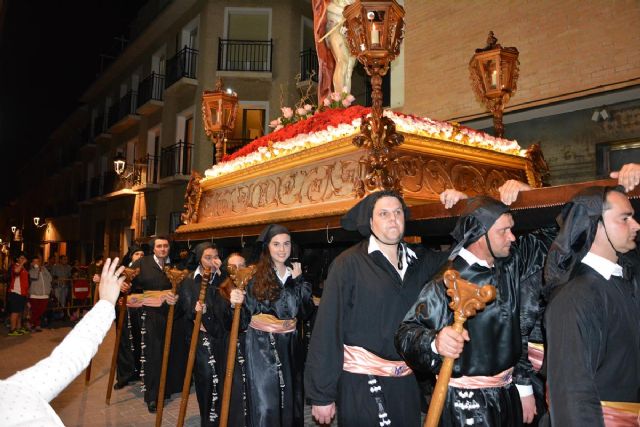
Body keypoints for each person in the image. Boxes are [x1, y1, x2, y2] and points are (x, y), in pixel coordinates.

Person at [395, 182, 556, 427]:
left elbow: (554, 233)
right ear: (479, 236)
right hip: (466, 406)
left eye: (512, 229)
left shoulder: (510, 263)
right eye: (504, 231)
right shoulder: (446, 282)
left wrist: (527, 195)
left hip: (507, 395)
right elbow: (406, 334)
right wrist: (435, 342)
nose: (512, 237)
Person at [305, 190, 449, 426]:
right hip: (361, 384)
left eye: (397, 212)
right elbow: (327, 329)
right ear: (370, 222)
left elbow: (467, 253)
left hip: (405, 384)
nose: (393, 219)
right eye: (384, 214)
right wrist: (322, 394)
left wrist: (454, 206)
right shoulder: (347, 264)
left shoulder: (420, 261)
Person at [543, 185, 640, 426]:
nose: (636, 225)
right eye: (625, 218)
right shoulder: (575, 297)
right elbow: (572, 395)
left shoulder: (622, 281)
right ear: (595, 225)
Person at [0, 257, 125, 426]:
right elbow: (67, 359)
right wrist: (106, 303)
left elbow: (67, 359)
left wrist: (105, 304)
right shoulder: (15, 392)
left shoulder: (11, 391)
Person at [243, 224, 314, 426]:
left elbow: (305, 312)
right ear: (267, 247)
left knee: (290, 398)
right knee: (266, 403)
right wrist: (234, 302)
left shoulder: (295, 275)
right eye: (276, 244)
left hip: (290, 343)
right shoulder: (255, 277)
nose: (282, 249)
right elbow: (245, 314)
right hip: (262, 345)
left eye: (286, 244)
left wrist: (300, 280)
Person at [130, 236, 178, 413]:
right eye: (159, 246)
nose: (163, 249)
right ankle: (152, 396)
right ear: (153, 248)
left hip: (171, 314)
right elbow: (127, 280)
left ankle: (165, 390)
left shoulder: (174, 265)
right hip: (151, 314)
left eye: (166, 246)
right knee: (153, 354)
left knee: (169, 352)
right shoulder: (142, 263)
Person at [312, 0, 357, 104]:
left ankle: (345, 102)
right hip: (334, 26)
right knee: (342, 61)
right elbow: (325, 7)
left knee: (349, 69)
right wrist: (344, 13)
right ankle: (339, 101)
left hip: (351, 30)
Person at [114, 245, 146, 390]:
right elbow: (111, 287)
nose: (140, 256)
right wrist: (119, 287)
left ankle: (141, 372)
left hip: (141, 312)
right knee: (124, 342)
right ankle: (124, 375)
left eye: (142, 254)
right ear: (131, 257)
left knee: (141, 342)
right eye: (137, 254)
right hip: (124, 311)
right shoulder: (121, 271)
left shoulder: (147, 271)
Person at [28, 255, 52, 332]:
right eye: (34, 261)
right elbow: (35, 277)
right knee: (35, 311)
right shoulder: (31, 271)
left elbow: (50, 278)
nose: (36, 263)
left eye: (37, 261)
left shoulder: (44, 269)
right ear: (32, 263)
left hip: (45, 294)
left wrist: (44, 270)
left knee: (41, 310)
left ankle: (31, 323)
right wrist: (37, 269)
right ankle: (36, 325)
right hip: (35, 294)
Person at [7, 253, 29, 336]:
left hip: (22, 293)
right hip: (15, 292)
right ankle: (12, 330)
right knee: (15, 312)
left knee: (20, 312)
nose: (23, 259)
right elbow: (16, 271)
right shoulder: (15, 266)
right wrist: (22, 263)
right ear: (18, 259)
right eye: (21, 258)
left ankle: (18, 328)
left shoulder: (23, 268)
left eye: (24, 258)